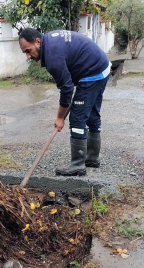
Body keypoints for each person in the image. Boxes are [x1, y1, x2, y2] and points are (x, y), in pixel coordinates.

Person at [18, 28, 111, 176]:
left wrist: (60, 117)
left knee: (77, 117)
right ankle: (92, 158)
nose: (28, 56)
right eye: (25, 53)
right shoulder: (49, 41)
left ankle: (77, 165)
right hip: (101, 67)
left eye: (28, 51)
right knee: (92, 113)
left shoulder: (52, 57)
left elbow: (67, 89)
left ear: (37, 41)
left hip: (93, 72)